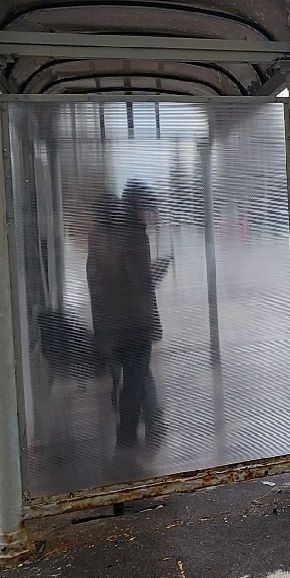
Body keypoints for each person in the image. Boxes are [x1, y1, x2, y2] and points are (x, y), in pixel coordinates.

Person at [86, 182, 172, 448]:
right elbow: (140, 283)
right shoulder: (133, 235)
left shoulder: (98, 236)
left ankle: (152, 419)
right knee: (135, 378)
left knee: (135, 373)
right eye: (147, 207)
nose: (149, 213)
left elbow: (96, 278)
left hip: (109, 321)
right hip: (134, 320)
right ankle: (127, 435)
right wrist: (160, 268)